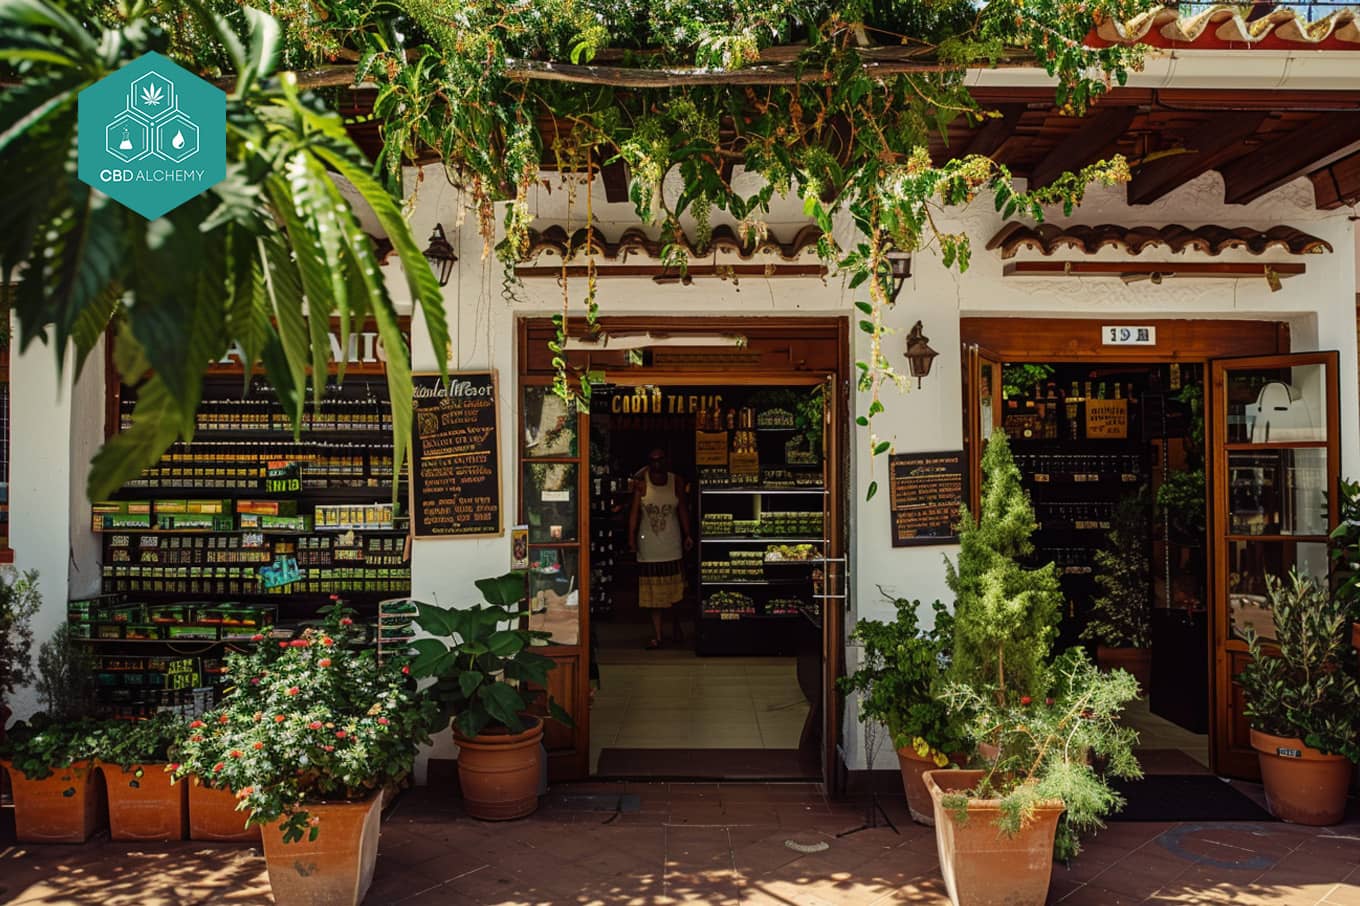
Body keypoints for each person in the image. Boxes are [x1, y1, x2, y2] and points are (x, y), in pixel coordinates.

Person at [628, 447, 693, 649]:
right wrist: (631, 538)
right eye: (652, 460)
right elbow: (634, 513)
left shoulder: (676, 481)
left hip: (671, 543)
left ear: (666, 461)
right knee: (654, 594)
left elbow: (682, 508)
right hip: (649, 545)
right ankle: (658, 634)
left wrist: (687, 533)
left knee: (675, 591)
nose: (657, 464)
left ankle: (675, 625)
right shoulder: (642, 483)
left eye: (660, 460)